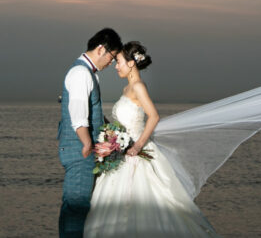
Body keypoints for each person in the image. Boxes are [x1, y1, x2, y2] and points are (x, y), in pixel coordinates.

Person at [85, 41, 220, 237]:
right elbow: (122, 123)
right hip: (121, 153)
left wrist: (138, 145)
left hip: (135, 154)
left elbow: (154, 116)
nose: (116, 66)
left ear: (131, 63)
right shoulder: (126, 89)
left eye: (119, 62)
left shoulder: (138, 86)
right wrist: (109, 133)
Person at [60, 27, 123, 237]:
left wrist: (110, 133)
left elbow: (92, 112)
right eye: (112, 56)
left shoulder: (88, 73)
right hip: (81, 151)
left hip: (84, 150)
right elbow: (78, 116)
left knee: (78, 207)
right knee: (76, 206)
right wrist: (87, 145)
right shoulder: (80, 73)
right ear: (101, 49)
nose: (112, 62)